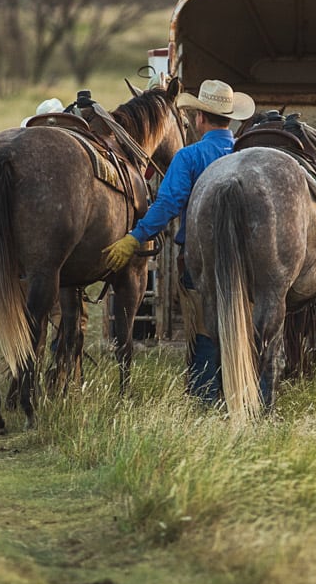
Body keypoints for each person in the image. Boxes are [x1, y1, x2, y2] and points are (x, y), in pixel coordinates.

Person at [102, 79, 255, 404]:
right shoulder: (248, 155)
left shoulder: (189, 157)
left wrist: (134, 238)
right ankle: (251, 395)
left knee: (203, 326)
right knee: (246, 324)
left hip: (200, 258)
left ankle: (205, 395)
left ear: (200, 118)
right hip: (249, 261)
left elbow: (168, 204)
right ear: (231, 119)